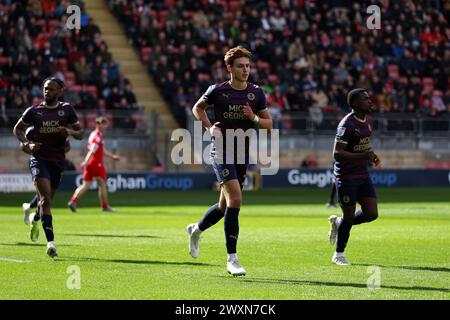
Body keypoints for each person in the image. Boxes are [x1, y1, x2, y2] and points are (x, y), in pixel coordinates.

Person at [186, 46, 273, 276]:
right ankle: (232, 259)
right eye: (240, 66)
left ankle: (196, 229)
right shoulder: (217, 90)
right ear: (229, 68)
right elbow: (198, 108)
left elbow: (269, 125)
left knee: (224, 207)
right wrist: (208, 127)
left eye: (247, 66)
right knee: (236, 199)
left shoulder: (257, 93)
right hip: (221, 152)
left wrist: (253, 117)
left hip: (242, 154)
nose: (245, 70)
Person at [13, 77, 84, 258]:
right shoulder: (34, 111)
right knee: (45, 199)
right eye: (45, 88)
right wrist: (27, 144)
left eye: (51, 89)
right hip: (39, 160)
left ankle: (35, 220)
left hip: (57, 162)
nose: (47, 91)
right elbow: (17, 129)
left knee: (47, 200)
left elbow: (81, 133)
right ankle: (50, 243)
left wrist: (70, 132)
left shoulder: (67, 109)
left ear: (60, 91)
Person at [328, 88, 380, 266]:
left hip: (362, 174)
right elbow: (337, 153)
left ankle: (339, 222)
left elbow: (363, 146)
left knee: (372, 213)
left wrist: (371, 154)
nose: (370, 101)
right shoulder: (346, 125)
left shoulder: (369, 122)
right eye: (366, 99)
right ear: (356, 104)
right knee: (349, 216)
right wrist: (363, 157)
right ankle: (339, 254)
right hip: (346, 176)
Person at [67, 116, 120, 213]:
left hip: (90, 163)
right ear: (98, 125)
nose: (105, 127)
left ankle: (73, 201)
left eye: (106, 126)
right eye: (104, 125)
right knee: (102, 184)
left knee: (86, 185)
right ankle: (105, 206)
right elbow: (92, 150)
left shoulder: (93, 134)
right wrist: (85, 161)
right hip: (96, 163)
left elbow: (100, 149)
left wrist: (112, 156)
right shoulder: (98, 137)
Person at [21, 127, 71, 225]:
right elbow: (23, 146)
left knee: (46, 193)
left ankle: (29, 208)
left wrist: (60, 150)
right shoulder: (32, 130)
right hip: (39, 163)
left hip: (55, 163)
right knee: (44, 194)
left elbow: (68, 147)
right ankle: (35, 218)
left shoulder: (57, 129)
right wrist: (33, 149)